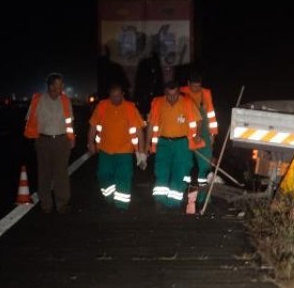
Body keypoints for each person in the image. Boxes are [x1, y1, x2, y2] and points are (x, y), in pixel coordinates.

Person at [146, 81, 205, 211]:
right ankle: (159, 201)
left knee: (180, 172)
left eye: (175, 95)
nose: (172, 98)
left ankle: (173, 203)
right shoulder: (158, 103)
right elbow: (150, 126)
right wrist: (146, 147)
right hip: (164, 143)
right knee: (161, 171)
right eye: (169, 95)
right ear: (165, 93)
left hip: (182, 144)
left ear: (179, 92)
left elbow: (199, 121)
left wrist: (198, 135)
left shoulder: (187, 102)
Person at [87, 84, 146, 211]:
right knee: (103, 175)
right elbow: (93, 125)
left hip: (124, 151)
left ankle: (121, 206)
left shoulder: (130, 108)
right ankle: (109, 197)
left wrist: (141, 152)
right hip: (105, 150)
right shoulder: (102, 106)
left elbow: (139, 130)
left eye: (118, 96)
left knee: (124, 177)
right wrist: (90, 143)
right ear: (109, 96)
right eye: (112, 96)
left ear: (123, 94)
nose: (115, 99)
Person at [24, 73, 76, 214]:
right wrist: (34, 137)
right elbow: (30, 119)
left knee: (61, 174)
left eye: (62, 85)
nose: (61, 88)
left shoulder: (65, 100)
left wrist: (71, 138)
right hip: (43, 141)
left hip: (61, 140)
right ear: (51, 86)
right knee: (44, 174)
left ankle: (62, 204)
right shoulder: (38, 100)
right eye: (59, 85)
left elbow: (69, 122)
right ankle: (46, 204)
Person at [180, 71, 219, 204]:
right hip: (186, 132)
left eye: (198, 86)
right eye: (193, 86)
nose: (196, 89)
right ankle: (183, 193)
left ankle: (203, 198)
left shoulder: (205, 94)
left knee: (205, 164)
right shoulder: (181, 92)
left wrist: (212, 133)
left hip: (203, 133)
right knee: (185, 164)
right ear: (188, 84)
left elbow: (211, 114)